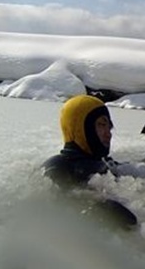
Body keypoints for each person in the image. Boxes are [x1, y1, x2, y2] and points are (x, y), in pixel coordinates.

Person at [42, 95, 139, 228]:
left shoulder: (107, 165)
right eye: (101, 124)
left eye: (109, 127)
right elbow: (46, 214)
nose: (108, 133)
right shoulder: (59, 166)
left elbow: (140, 170)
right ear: (80, 127)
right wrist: (94, 211)